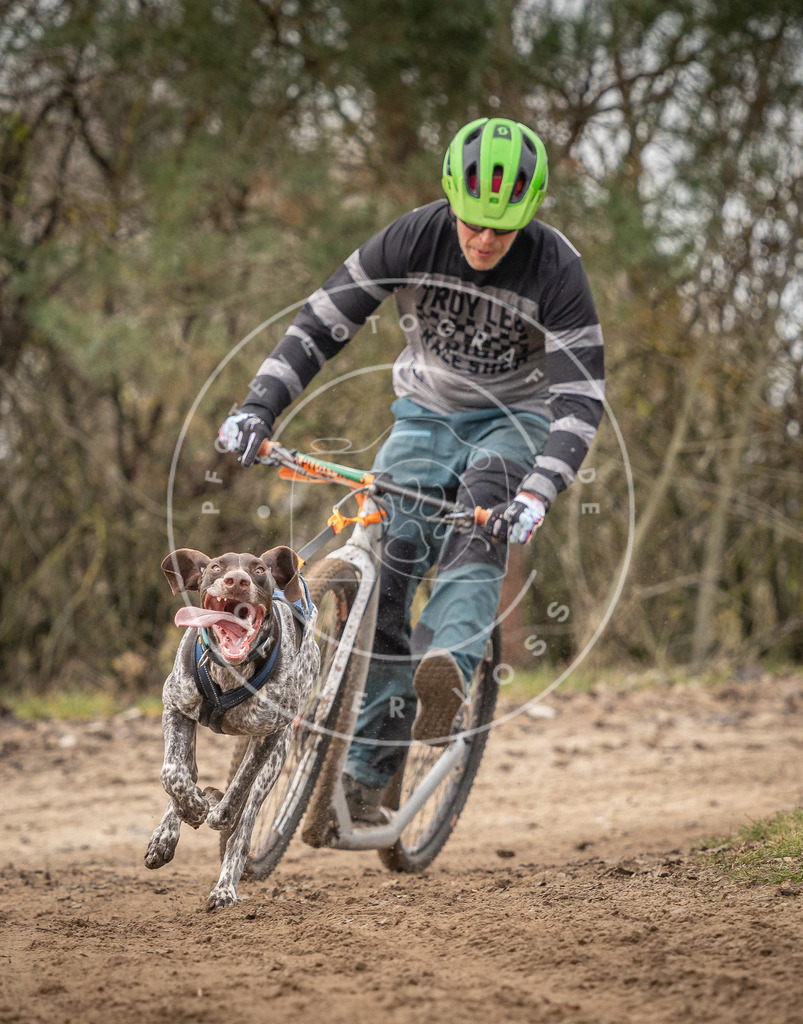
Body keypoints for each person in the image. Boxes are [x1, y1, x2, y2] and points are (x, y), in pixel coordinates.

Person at [219, 116, 604, 823]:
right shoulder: (410, 238)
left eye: (502, 229)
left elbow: (580, 396)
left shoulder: (556, 268)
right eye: (472, 224)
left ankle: (448, 671)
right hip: (423, 414)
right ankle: (366, 770)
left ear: (528, 215)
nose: (484, 240)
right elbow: (318, 327)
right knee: (391, 568)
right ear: (449, 200)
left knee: (484, 502)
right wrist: (256, 409)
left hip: (515, 418)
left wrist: (540, 489)